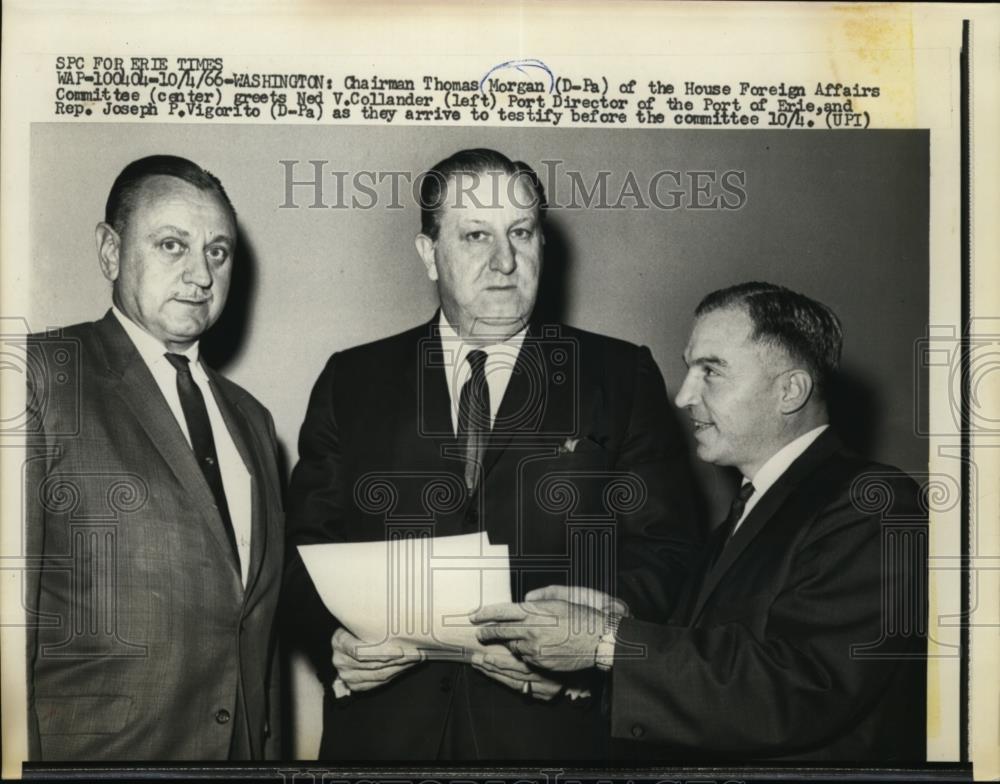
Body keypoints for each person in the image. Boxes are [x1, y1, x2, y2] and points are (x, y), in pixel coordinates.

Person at [282, 148, 702, 761]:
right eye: (476, 235)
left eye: (521, 233)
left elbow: (670, 550)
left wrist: (588, 652)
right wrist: (332, 643)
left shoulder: (620, 375)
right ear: (428, 253)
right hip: (383, 738)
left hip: (554, 736)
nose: (504, 262)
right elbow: (301, 555)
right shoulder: (353, 380)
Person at [472, 281, 927, 762]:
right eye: (689, 368)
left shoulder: (873, 503)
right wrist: (598, 649)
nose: (685, 395)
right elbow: (713, 671)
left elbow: (806, 686)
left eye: (711, 371)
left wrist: (605, 644)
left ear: (790, 390)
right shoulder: (747, 516)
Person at [24, 155, 284, 761]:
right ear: (110, 251)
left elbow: (252, 634)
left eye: (217, 252)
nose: (200, 275)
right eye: (173, 245)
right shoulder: (41, 377)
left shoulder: (254, 420)